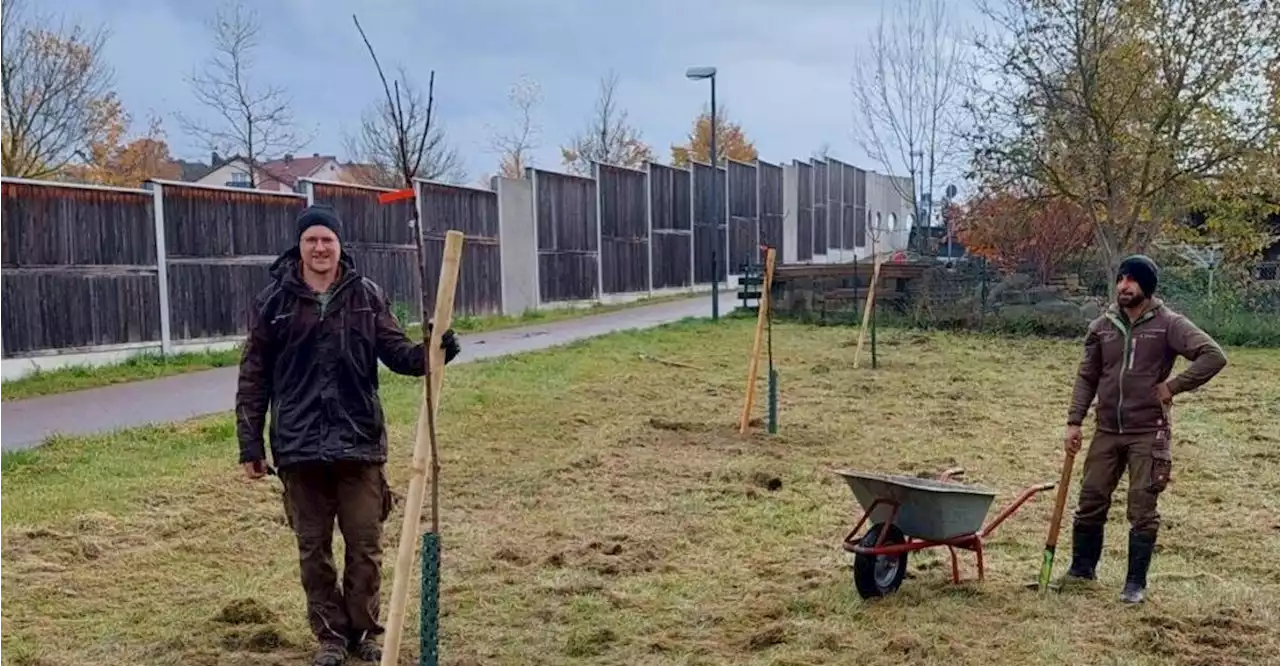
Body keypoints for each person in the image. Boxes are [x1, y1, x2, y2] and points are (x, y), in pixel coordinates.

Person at [235, 204, 461, 666]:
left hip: (358, 443)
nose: (320, 248)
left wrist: (434, 351)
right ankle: (330, 638)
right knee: (313, 551)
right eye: (311, 240)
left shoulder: (365, 296)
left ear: (340, 246)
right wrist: (250, 445)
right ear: (299, 247)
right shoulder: (272, 303)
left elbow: (397, 354)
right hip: (299, 448)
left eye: (328, 240)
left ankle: (365, 632)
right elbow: (253, 377)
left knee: (365, 546)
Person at [1062, 254, 1226, 603]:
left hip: (1147, 431)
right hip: (1106, 429)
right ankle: (1082, 569)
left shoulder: (1169, 324)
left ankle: (1135, 584)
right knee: (1090, 499)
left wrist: (1172, 387)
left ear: (1147, 286)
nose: (1124, 285)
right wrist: (1074, 421)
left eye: (1132, 279)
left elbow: (1213, 355)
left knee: (1142, 506)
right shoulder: (1102, 326)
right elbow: (1086, 377)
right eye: (1121, 278)